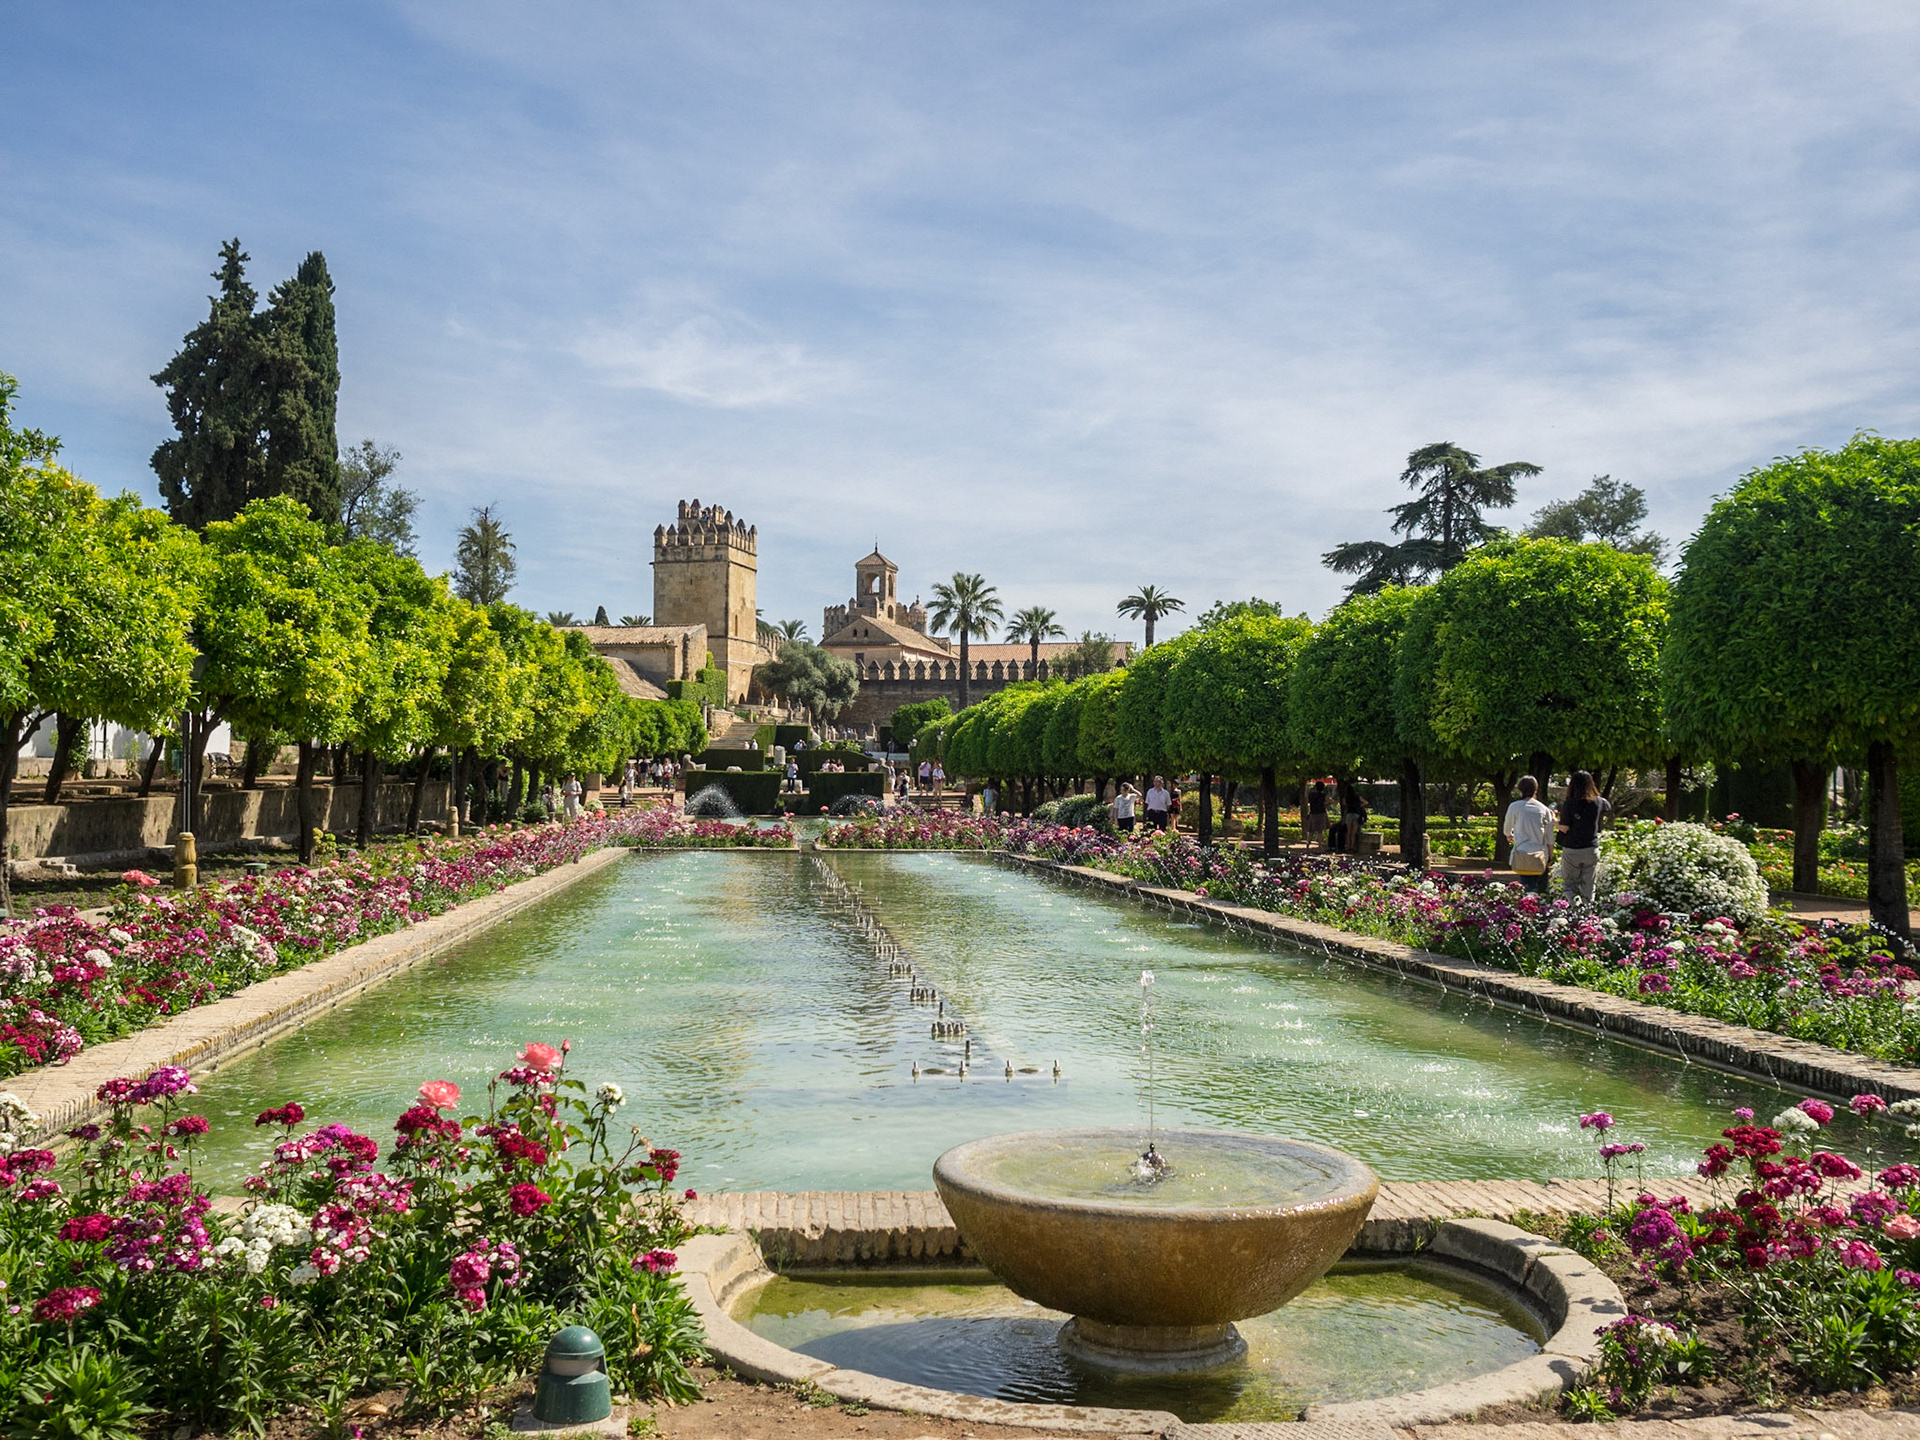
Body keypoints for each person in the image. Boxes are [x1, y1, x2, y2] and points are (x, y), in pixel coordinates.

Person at [1555, 771, 1611, 903]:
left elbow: (1565, 827)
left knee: (1569, 885)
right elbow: (1607, 807)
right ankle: (1588, 915)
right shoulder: (1599, 801)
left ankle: (1577, 908)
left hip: (1572, 848)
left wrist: (1553, 821)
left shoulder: (1570, 803)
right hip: (1591, 847)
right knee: (1589, 886)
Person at [1502, 775, 1555, 894]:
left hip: (1521, 853)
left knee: (1525, 886)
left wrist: (1509, 835)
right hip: (1540, 855)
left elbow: (1506, 829)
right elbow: (1550, 837)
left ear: (1520, 789)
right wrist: (1550, 857)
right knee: (1538, 887)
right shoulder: (1544, 809)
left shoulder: (1514, 806)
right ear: (1535, 789)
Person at [1305, 781, 1329, 849]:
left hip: (1313, 813)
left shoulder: (1311, 794)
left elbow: (1308, 801)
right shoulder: (1323, 795)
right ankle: (1320, 846)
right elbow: (1326, 803)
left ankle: (1307, 845)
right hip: (1321, 814)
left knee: (1311, 831)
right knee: (1320, 831)